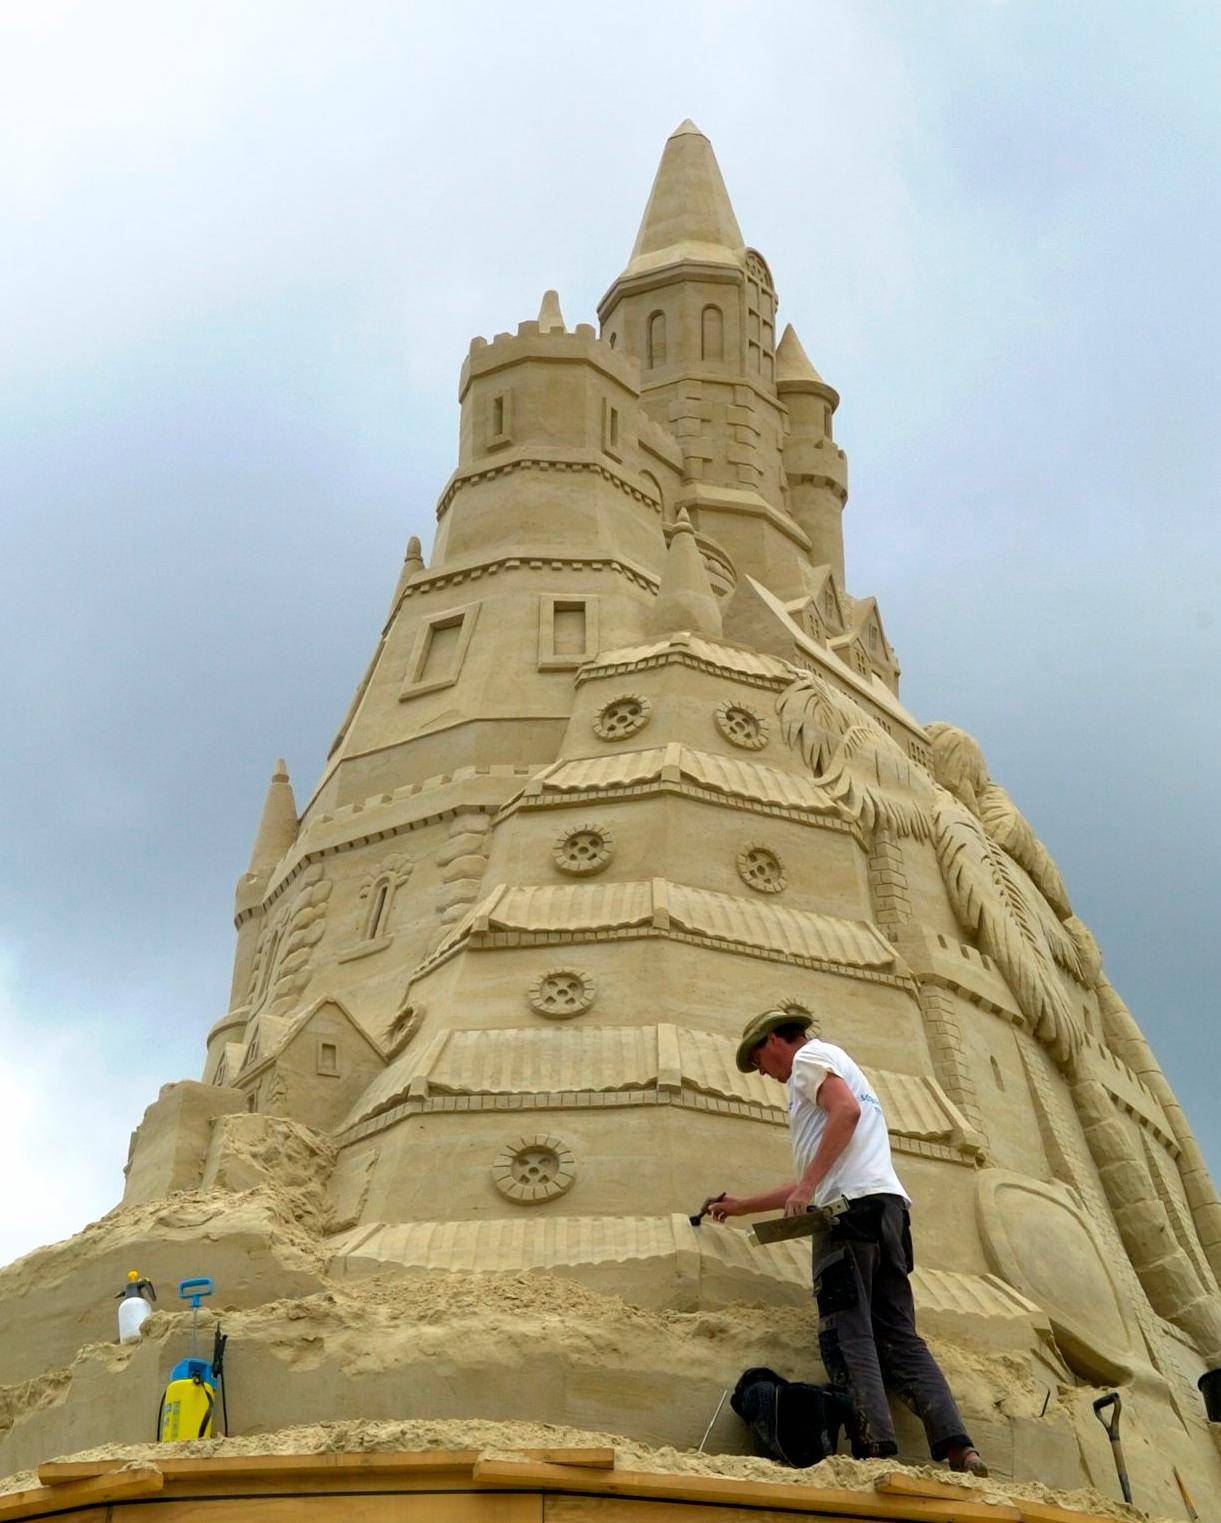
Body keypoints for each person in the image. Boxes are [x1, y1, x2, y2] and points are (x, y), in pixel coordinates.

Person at [710, 1008, 986, 1475]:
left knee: (846, 1332)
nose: (762, 1072)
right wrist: (744, 1206)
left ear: (775, 1040)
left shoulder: (808, 1061)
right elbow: (822, 1172)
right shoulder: (835, 1062)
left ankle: (876, 1451)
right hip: (887, 1210)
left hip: (848, 1218)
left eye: (757, 1059)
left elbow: (846, 1113)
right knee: (899, 1336)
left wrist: (804, 1188)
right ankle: (960, 1447)